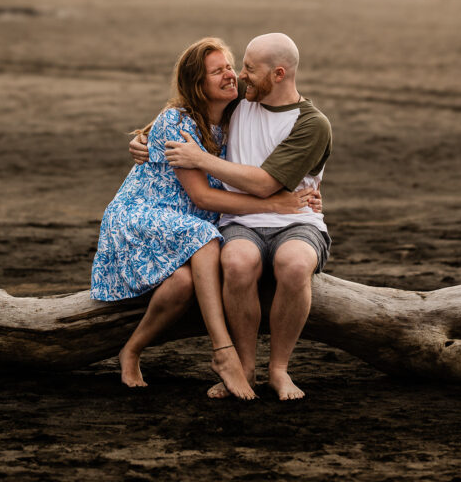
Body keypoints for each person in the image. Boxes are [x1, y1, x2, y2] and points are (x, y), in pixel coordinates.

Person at [91, 36, 319, 399]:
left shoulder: (235, 114)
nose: (233, 75)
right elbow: (200, 195)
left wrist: (303, 192)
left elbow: (264, 155)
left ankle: (131, 349)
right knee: (205, 236)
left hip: (186, 224)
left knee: (183, 283)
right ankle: (223, 353)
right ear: (198, 86)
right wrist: (275, 205)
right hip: (142, 215)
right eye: (219, 71)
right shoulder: (178, 122)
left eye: (231, 66)